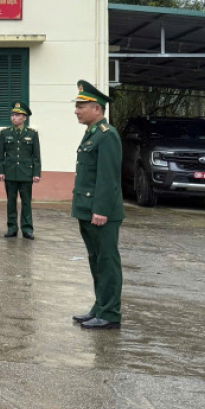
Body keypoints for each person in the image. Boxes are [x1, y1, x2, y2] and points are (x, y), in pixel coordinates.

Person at [71, 81, 125, 330]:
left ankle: (111, 313)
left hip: (101, 211)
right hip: (87, 208)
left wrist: (101, 210)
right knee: (96, 260)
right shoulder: (92, 133)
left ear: (96, 108)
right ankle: (100, 306)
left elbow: (108, 178)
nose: (77, 110)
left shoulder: (107, 135)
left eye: (81, 106)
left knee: (107, 261)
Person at [0, 101, 41, 240]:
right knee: (11, 202)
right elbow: (1, 154)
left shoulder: (32, 134)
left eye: (17, 115)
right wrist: (1, 170)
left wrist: (36, 173)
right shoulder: (5, 133)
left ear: (24, 118)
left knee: (26, 202)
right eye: (13, 115)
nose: (14, 117)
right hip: (10, 172)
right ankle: (12, 228)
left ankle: (27, 229)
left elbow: (36, 155)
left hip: (26, 173)